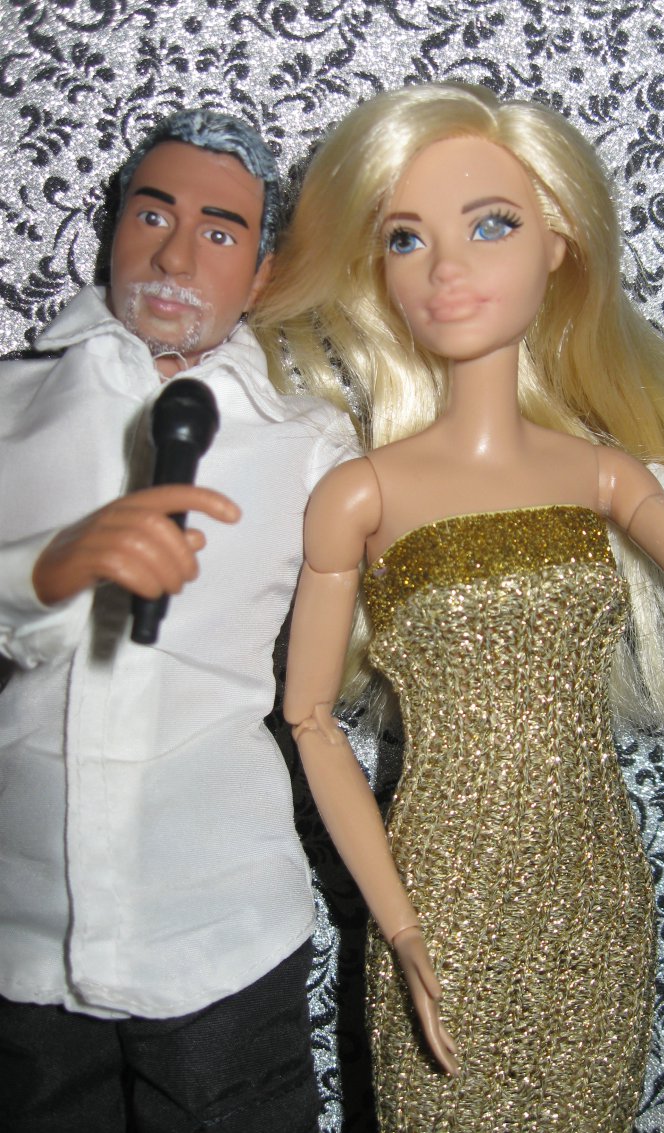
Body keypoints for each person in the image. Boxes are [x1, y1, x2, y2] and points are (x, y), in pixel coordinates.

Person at [253, 83, 664, 1132]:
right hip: (439, 893)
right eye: (406, 238)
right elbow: (307, 719)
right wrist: (399, 925)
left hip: (592, 888)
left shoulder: (598, 473)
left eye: (490, 225)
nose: (446, 267)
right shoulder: (361, 494)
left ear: (558, 245)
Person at [0, 110, 358, 1132]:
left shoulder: (306, 437)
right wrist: (46, 569)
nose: (173, 255)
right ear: (115, 225)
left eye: (219, 230)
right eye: (152, 215)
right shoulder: (13, 405)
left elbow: (454, 507)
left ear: (262, 272)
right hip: (25, 923)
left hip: (217, 926)